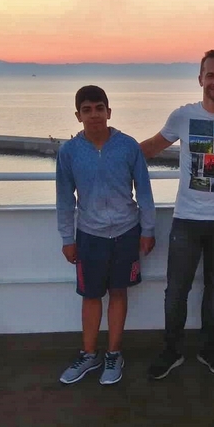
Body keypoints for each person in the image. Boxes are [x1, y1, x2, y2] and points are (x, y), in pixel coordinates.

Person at [140, 49, 214, 379]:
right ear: (200, 79)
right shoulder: (183, 116)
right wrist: (111, 156)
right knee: (176, 290)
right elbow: (151, 147)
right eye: (211, 75)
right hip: (187, 219)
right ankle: (172, 350)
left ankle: (209, 349)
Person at [56, 85, 156, 385]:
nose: (94, 115)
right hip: (89, 235)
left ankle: (114, 354)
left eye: (99, 108)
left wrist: (148, 229)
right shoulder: (69, 152)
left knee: (118, 292)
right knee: (90, 296)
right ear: (78, 116)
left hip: (126, 232)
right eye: (87, 110)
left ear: (109, 112)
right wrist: (67, 238)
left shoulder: (128, 146)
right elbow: (64, 199)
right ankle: (89, 354)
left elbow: (144, 192)